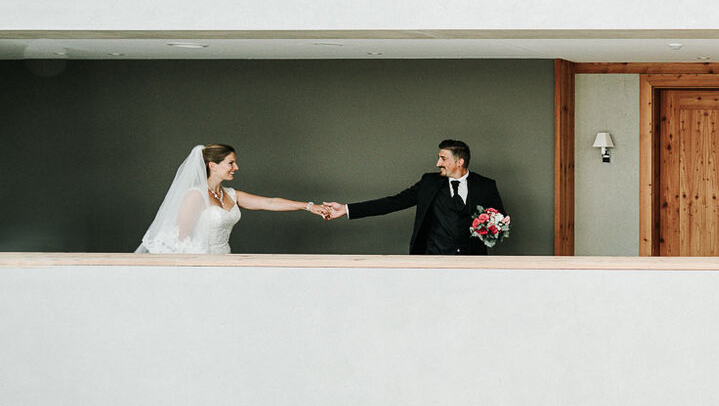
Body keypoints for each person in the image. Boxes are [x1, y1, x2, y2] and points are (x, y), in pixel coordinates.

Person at [323, 139, 507, 255]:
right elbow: (393, 202)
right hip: (433, 260)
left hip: (472, 262)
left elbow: (500, 219)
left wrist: (494, 227)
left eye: (443, 159)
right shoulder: (429, 183)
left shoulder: (485, 185)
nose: (438, 163)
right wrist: (346, 209)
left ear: (460, 162)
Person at [136, 144, 330, 254]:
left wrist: (309, 206)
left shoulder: (231, 194)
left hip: (226, 258)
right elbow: (180, 238)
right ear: (213, 166)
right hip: (201, 262)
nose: (236, 168)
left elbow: (269, 202)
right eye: (231, 163)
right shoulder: (195, 196)